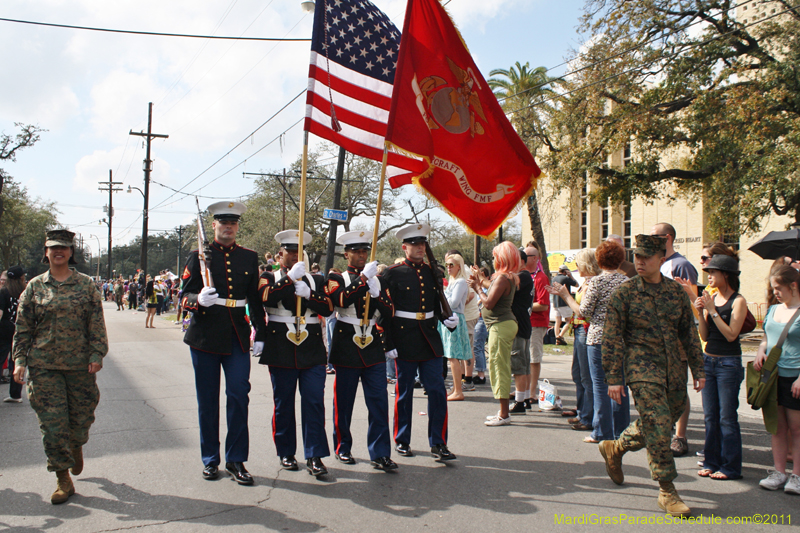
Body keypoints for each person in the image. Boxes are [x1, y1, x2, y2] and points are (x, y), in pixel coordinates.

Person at [598, 235, 704, 517]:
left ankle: (616, 448)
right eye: (637, 256)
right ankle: (667, 490)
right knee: (658, 423)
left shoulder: (676, 293)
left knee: (662, 420)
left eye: (646, 257)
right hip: (641, 368)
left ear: (661, 259)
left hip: (674, 369)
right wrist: (613, 377)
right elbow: (611, 337)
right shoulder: (625, 292)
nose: (640, 261)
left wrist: (698, 368)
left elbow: (688, 334)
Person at [12, 229, 108, 504]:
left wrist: (96, 354)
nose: (58, 251)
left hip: (80, 366)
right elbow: (23, 328)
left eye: (64, 248)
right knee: (52, 426)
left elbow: (96, 324)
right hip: (44, 367)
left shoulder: (87, 285)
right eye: (53, 247)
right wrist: (20, 361)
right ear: (46, 252)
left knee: (81, 419)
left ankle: (76, 444)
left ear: (71, 252)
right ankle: (63, 479)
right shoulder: (34, 287)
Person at [180, 201, 267, 485]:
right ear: (214, 225)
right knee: (208, 401)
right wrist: (196, 300)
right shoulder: (199, 256)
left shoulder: (248, 257)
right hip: (205, 335)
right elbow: (183, 295)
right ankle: (210, 459)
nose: (228, 227)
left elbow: (254, 299)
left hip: (236, 335)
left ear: (237, 226)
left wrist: (260, 333)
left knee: (239, 396)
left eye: (233, 223)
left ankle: (236, 459)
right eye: (223, 223)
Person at [259, 229, 334, 477]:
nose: (294, 256)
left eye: (298, 252)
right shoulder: (270, 276)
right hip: (281, 344)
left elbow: (329, 307)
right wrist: (289, 280)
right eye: (290, 252)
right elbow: (265, 298)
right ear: (280, 254)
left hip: (311, 347)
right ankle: (286, 451)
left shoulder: (316, 279)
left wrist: (310, 295)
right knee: (284, 404)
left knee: (314, 402)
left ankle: (315, 455)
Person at [380, 223, 458, 460]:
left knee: (437, 392)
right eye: (414, 244)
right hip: (404, 339)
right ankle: (402, 440)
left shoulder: (432, 271)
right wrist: (388, 342)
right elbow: (385, 311)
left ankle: (438, 442)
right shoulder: (392, 273)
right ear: (405, 247)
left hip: (430, 339)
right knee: (404, 393)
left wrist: (447, 318)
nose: (420, 248)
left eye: (422, 243)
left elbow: (436, 302)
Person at [324, 230, 397, 471]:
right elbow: (340, 301)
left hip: (372, 345)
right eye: (356, 251)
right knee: (343, 404)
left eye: (364, 251)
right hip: (347, 342)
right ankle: (342, 447)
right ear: (346, 254)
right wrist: (363, 281)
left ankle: (380, 452)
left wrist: (377, 292)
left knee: (378, 403)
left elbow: (390, 313)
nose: (361, 255)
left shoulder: (379, 279)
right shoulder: (337, 277)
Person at [554, 241, 630, 442]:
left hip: (597, 338)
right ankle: (621, 430)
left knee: (600, 386)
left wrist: (565, 296)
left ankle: (601, 431)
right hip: (620, 339)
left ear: (599, 260)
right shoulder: (626, 281)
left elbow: (584, 312)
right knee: (619, 384)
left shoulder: (597, 282)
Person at [695, 254, 747, 480]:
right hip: (709, 361)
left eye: (713, 272)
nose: (710, 277)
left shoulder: (738, 301)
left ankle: (730, 466)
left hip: (728, 363)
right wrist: (700, 312)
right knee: (710, 416)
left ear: (726, 274)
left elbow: (731, 334)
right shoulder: (711, 299)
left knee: (727, 416)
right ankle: (711, 461)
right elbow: (705, 335)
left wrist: (712, 311)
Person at [652, 222, 699, 457]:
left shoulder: (681, 265)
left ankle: (680, 437)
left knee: (678, 387)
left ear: (667, 237)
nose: (650, 239)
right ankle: (665, 430)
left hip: (677, 337)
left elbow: (694, 303)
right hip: (656, 336)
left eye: (654, 236)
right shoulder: (657, 263)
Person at [754, 265, 800, 494]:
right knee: (776, 427)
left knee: (797, 428)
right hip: (772, 377)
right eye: (773, 288)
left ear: (793, 285)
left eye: (779, 288)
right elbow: (767, 337)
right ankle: (779, 471)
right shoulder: (773, 310)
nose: (776, 293)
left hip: (795, 377)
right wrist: (760, 350)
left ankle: (797, 476)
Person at [468, 241, 519, 426]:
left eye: (494, 256)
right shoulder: (508, 277)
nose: (492, 259)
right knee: (499, 366)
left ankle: (504, 414)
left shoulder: (503, 278)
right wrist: (480, 279)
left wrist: (477, 288)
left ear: (501, 258)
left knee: (499, 368)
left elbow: (488, 303)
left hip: (500, 325)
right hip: (502, 325)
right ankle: (503, 411)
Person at [548, 249, 599, 432]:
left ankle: (587, 416)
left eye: (578, 263)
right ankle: (582, 411)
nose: (575, 267)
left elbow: (581, 311)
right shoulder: (587, 282)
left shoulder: (593, 283)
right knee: (578, 374)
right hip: (579, 331)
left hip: (585, 331)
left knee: (586, 376)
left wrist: (566, 296)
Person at [439, 253, 472, 401]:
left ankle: (458, 390)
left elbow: (452, 303)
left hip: (454, 319)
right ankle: (455, 388)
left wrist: (441, 296)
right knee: (451, 356)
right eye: (447, 265)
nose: (448, 268)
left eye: (451, 265)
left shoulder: (460, 282)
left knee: (453, 357)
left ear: (459, 266)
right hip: (450, 319)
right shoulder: (453, 281)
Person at [507, 249, 533, 415]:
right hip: (523, 325)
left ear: (520, 261)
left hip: (518, 326)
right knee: (523, 365)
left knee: (518, 367)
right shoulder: (525, 276)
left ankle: (520, 402)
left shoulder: (522, 276)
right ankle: (524, 398)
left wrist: (481, 282)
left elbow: (502, 288)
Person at [524, 243, 550, 407]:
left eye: (526, 256)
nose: (522, 259)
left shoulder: (541, 278)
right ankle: (523, 390)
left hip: (535, 323)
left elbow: (543, 305)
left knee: (533, 358)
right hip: (525, 322)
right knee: (524, 358)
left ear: (535, 259)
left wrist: (523, 305)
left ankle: (532, 391)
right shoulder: (525, 275)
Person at [1, 266, 27, 403]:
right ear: (21, 278)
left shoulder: (3, 292)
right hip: (21, 330)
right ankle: (15, 394)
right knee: (18, 361)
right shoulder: (26, 292)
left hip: (4, 331)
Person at [551, 265, 577, 345]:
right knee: (569, 321)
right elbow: (576, 284)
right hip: (564, 302)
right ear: (565, 271)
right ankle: (560, 336)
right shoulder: (566, 278)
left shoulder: (554, 278)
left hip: (555, 302)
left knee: (557, 321)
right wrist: (571, 276)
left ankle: (557, 338)